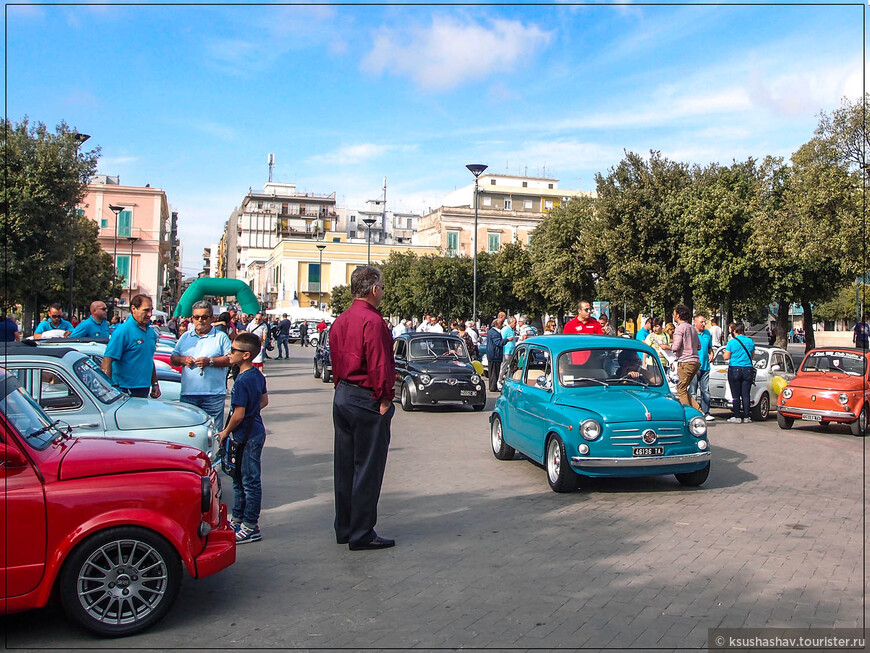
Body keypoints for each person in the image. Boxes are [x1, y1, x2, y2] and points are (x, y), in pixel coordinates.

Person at [330, 265, 396, 551]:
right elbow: (381, 364)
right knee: (367, 468)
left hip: (343, 393)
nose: (382, 292)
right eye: (381, 287)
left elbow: (334, 356)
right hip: (365, 397)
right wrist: (384, 398)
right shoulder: (374, 322)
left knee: (344, 466)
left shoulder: (341, 320)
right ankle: (362, 532)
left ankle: (345, 527)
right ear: (373, 289)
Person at [217, 331, 269, 544]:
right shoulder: (256, 375)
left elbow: (238, 414)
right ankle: (238, 518)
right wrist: (252, 412)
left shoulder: (243, 379)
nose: (229, 354)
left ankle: (250, 525)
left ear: (246, 355)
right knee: (239, 478)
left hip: (247, 435)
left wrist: (225, 432)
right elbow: (264, 401)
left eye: (233, 350)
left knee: (249, 480)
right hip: (253, 431)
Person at [171, 301, 232, 431]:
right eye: (196, 317)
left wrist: (210, 361)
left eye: (204, 317)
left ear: (212, 319)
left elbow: (230, 359)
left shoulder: (221, 337)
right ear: (192, 318)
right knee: (189, 431)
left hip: (213, 395)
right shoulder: (185, 337)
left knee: (213, 432)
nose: (200, 320)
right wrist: (183, 360)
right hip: (189, 394)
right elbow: (173, 358)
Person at [101, 294, 160, 398]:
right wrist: (107, 388)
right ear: (134, 309)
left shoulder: (151, 333)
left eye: (151, 310)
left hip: (144, 388)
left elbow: (149, 360)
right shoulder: (123, 331)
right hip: (125, 389)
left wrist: (154, 383)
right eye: (146, 310)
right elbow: (107, 360)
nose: (150, 314)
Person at [662, 304, 701, 410]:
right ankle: (698, 411)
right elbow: (699, 346)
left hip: (685, 362)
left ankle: (688, 413)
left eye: (674, 314)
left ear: (678, 315)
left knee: (681, 389)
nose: (673, 315)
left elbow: (675, 347)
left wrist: (665, 347)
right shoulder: (692, 328)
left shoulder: (680, 329)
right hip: (695, 361)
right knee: (684, 388)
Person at [723, 322, 755, 423]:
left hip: (735, 368)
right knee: (746, 394)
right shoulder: (750, 341)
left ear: (734, 331)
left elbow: (726, 356)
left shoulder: (732, 342)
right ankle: (746, 416)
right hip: (747, 369)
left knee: (735, 395)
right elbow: (752, 355)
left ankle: (737, 416)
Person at [689, 314, 715, 421]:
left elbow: (709, 348)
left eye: (705, 322)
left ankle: (706, 412)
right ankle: (694, 412)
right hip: (694, 366)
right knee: (693, 391)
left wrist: (711, 354)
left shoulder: (707, 333)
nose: (704, 324)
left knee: (705, 391)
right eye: (702, 322)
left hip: (705, 367)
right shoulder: (691, 333)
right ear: (695, 322)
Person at [497, 316, 518, 387]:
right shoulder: (505, 329)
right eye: (515, 322)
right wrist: (508, 339)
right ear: (511, 322)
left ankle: (508, 380)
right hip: (506, 350)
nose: (516, 324)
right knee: (504, 366)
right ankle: (499, 380)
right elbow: (502, 339)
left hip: (512, 350)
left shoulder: (512, 330)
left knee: (510, 366)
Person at [485, 318, 504, 393]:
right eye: (500, 323)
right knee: (494, 372)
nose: (502, 325)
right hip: (495, 355)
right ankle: (493, 387)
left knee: (494, 371)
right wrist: (506, 340)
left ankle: (493, 386)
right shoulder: (494, 333)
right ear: (496, 324)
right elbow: (498, 343)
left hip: (493, 354)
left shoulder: (492, 332)